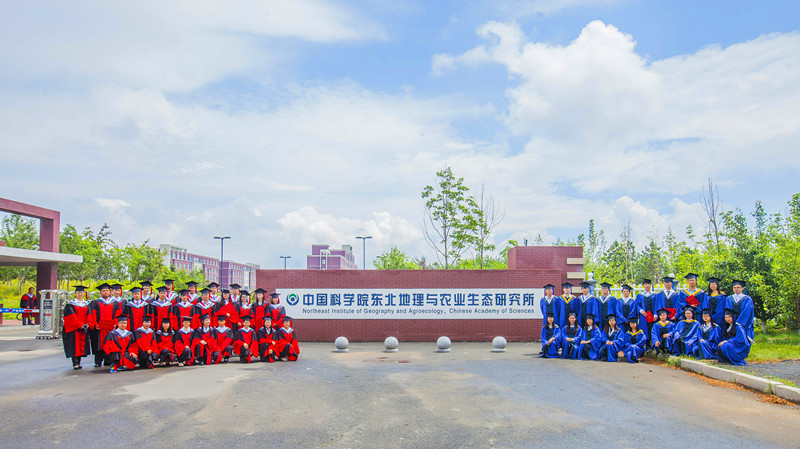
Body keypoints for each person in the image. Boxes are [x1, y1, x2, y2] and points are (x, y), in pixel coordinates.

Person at [89, 283, 121, 367]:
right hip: (99, 329)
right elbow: (93, 314)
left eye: (107, 291)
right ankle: (98, 361)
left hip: (111, 328)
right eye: (103, 291)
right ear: (100, 293)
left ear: (110, 292)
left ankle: (108, 360)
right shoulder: (95, 302)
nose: (105, 292)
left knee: (109, 343)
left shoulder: (115, 303)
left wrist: (115, 324)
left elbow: (117, 314)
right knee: (98, 345)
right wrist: (95, 324)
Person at [62, 285, 92, 370]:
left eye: (81, 292)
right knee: (74, 346)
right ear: (75, 294)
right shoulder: (70, 305)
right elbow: (71, 317)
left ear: (84, 293)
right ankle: (75, 363)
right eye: (78, 292)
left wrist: (88, 323)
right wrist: (79, 325)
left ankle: (79, 362)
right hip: (74, 329)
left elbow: (89, 314)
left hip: (84, 328)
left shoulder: (86, 304)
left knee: (81, 346)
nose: (80, 294)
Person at [636, 279, 658, 347]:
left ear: (651, 285)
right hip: (644, 316)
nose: (647, 285)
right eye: (645, 284)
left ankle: (653, 345)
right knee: (644, 329)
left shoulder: (655, 295)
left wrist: (656, 314)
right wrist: (641, 311)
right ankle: (646, 345)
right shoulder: (640, 295)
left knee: (652, 329)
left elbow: (657, 305)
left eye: (648, 284)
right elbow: (637, 305)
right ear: (643, 285)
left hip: (652, 316)